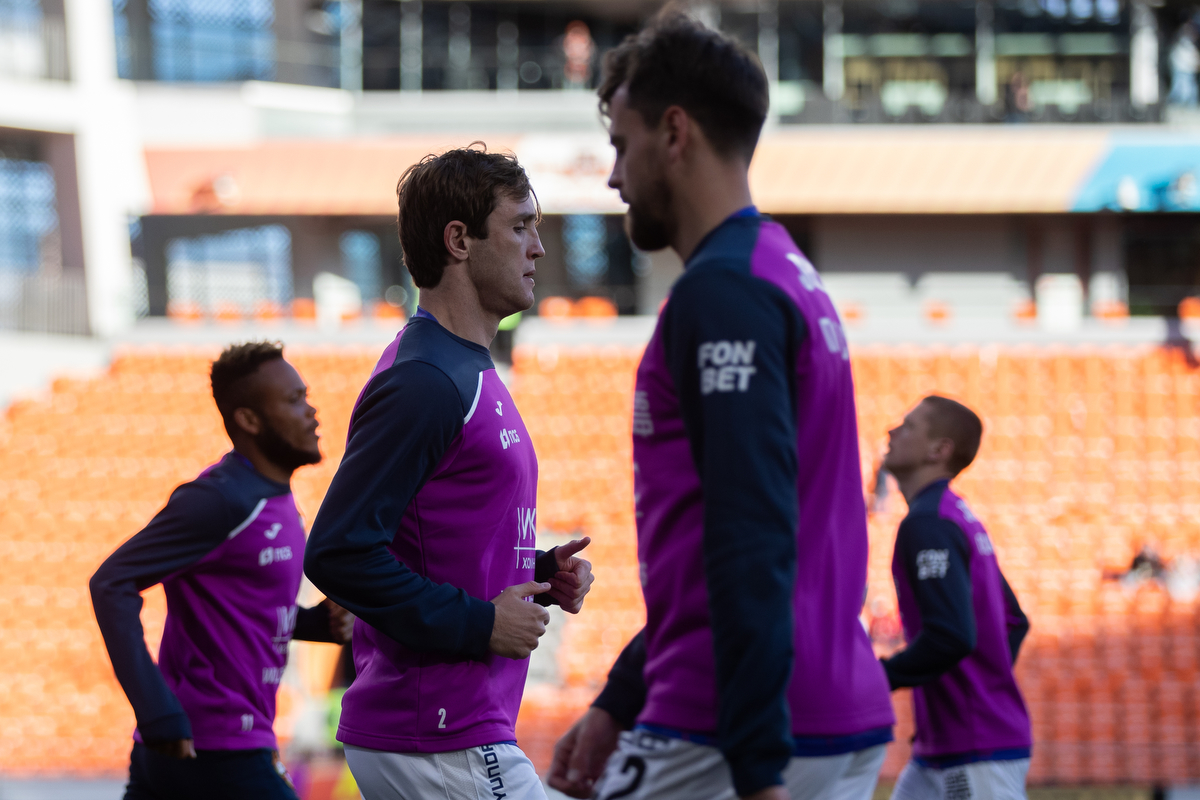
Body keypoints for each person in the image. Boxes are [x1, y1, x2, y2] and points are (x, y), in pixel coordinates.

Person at [548, 16, 895, 800]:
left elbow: (749, 532)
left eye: (621, 145)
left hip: (728, 728)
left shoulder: (723, 291)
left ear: (675, 133)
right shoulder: (783, 270)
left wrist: (756, 763)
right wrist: (619, 699)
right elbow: (730, 542)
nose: (614, 177)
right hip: (830, 709)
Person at [302, 146, 595, 800]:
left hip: (452, 726)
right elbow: (339, 552)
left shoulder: (465, 367)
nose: (538, 248)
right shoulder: (426, 381)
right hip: (434, 730)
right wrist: (481, 624)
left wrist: (539, 571)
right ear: (459, 240)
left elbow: (436, 542)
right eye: (520, 226)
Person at [90, 341, 354, 800]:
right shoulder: (219, 499)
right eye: (293, 400)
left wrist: (317, 624)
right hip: (214, 750)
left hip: (214, 748)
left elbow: (243, 608)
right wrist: (155, 710)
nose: (312, 412)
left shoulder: (278, 499)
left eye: (306, 396)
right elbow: (111, 582)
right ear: (249, 420)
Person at [879, 396, 1032, 800]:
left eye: (909, 426)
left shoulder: (930, 522)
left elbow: (950, 635)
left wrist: (878, 679)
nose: (892, 431)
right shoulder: (955, 513)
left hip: (973, 746)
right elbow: (1015, 621)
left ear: (939, 449)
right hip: (949, 743)